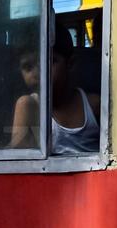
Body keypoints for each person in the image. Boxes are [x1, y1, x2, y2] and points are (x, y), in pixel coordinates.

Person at [11, 27, 100, 155]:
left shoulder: (93, 105)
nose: (37, 73)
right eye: (28, 67)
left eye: (48, 62)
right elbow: (19, 160)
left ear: (71, 64)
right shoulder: (28, 105)